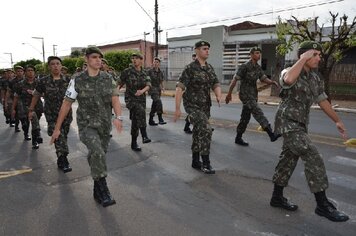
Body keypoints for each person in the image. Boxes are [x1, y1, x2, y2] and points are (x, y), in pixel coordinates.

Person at [270, 41, 349, 222]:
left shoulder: (315, 78)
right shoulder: (288, 71)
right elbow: (288, 80)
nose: (319, 58)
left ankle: (277, 197)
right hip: (287, 123)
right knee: (312, 154)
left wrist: (337, 120)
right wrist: (303, 59)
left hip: (300, 124)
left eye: (319, 55)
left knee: (287, 160)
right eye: (315, 54)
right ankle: (322, 205)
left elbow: (322, 100)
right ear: (304, 55)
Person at [50, 47, 123, 207]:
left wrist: (118, 117)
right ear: (87, 60)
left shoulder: (108, 78)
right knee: (96, 152)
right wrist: (57, 128)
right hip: (86, 125)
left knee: (99, 155)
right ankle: (104, 190)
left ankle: (97, 190)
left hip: (104, 125)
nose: (98, 60)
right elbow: (66, 104)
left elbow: (115, 99)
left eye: (100, 58)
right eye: (94, 57)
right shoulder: (77, 80)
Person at [174, 40, 222, 174]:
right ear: (196, 51)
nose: (207, 51)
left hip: (205, 106)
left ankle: (195, 160)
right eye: (204, 48)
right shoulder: (190, 68)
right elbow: (179, 89)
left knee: (197, 131)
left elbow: (215, 83)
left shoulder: (209, 68)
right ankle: (206, 162)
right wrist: (177, 109)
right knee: (206, 129)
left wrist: (218, 95)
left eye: (208, 49)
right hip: (192, 106)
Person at [225, 46, 280, 146]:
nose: (258, 55)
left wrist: (272, 82)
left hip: (253, 94)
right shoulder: (245, 66)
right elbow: (234, 80)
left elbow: (263, 78)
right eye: (256, 53)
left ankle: (238, 138)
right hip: (245, 94)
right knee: (257, 111)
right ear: (251, 54)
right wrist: (229, 94)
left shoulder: (258, 67)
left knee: (245, 118)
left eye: (259, 53)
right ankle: (271, 133)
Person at [29, 56, 73, 173]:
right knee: (58, 136)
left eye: (58, 63)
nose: (55, 66)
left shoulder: (68, 80)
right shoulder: (43, 81)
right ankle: (64, 159)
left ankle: (60, 157)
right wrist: (31, 109)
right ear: (49, 66)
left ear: (61, 65)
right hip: (52, 115)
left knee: (64, 135)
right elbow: (36, 95)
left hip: (67, 115)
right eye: (53, 64)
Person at [118, 53, 151, 151]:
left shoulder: (145, 72)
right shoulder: (127, 72)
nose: (134, 60)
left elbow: (148, 85)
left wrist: (142, 91)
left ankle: (133, 143)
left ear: (141, 60)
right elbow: (119, 83)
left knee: (136, 122)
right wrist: (114, 94)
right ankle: (144, 135)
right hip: (131, 99)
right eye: (132, 58)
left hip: (141, 99)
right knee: (140, 111)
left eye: (136, 58)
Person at [12, 65, 43, 148]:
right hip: (25, 107)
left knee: (34, 122)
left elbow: (45, 94)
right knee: (27, 124)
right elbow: (16, 96)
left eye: (32, 70)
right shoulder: (20, 84)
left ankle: (34, 141)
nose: (30, 72)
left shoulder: (39, 83)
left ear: (34, 72)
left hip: (38, 106)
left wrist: (35, 93)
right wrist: (13, 109)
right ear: (25, 72)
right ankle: (26, 133)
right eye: (28, 70)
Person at [147, 57, 166, 126]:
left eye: (157, 62)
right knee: (158, 101)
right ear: (153, 63)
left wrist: (163, 87)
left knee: (154, 105)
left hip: (158, 89)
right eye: (154, 62)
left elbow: (161, 81)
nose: (155, 63)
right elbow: (147, 80)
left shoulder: (161, 72)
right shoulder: (149, 71)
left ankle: (150, 120)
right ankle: (160, 118)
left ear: (159, 64)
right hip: (152, 89)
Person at [6, 65, 24, 131]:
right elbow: (8, 91)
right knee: (16, 114)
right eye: (18, 71)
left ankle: (26, 132)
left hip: (25, 100)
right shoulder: (12, 81)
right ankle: (16, 126)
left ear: (23, 72)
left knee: (24, 116)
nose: (19, 72)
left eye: (21, 71)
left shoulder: (26, 80)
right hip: (14, 100)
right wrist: (6, 101)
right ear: (15, 73)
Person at [182, 53, 197, 134]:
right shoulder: (189, 68)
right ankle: (202, 126)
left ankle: (186, 127)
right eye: (193, 59)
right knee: (193, 112)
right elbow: (183, 82)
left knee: (197, 111)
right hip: (190, 95)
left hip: (198, 95)